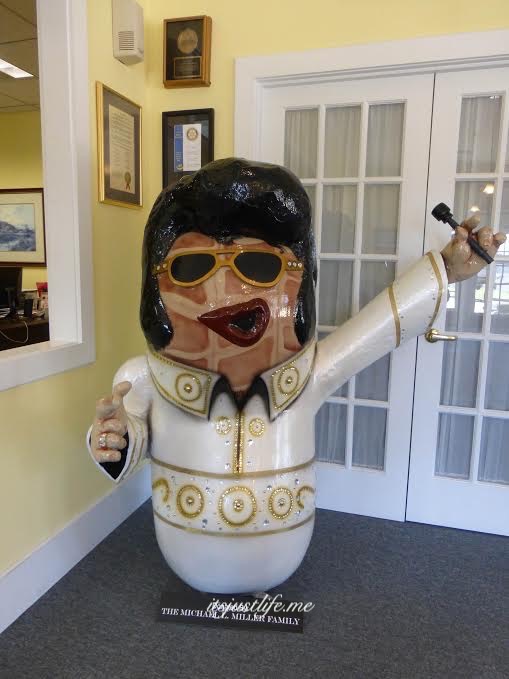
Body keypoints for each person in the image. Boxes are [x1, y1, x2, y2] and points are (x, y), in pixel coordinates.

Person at [87, 158, 505, 593]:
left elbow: (386, 321)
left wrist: (449, 269)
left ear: (300, 277)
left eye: (258, 265)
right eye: (192, 267)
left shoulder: (309, 375)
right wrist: (114, 437)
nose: (226, 288)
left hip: (282, 556)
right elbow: (129, 443)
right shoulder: (142, 378)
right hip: (184, 554)